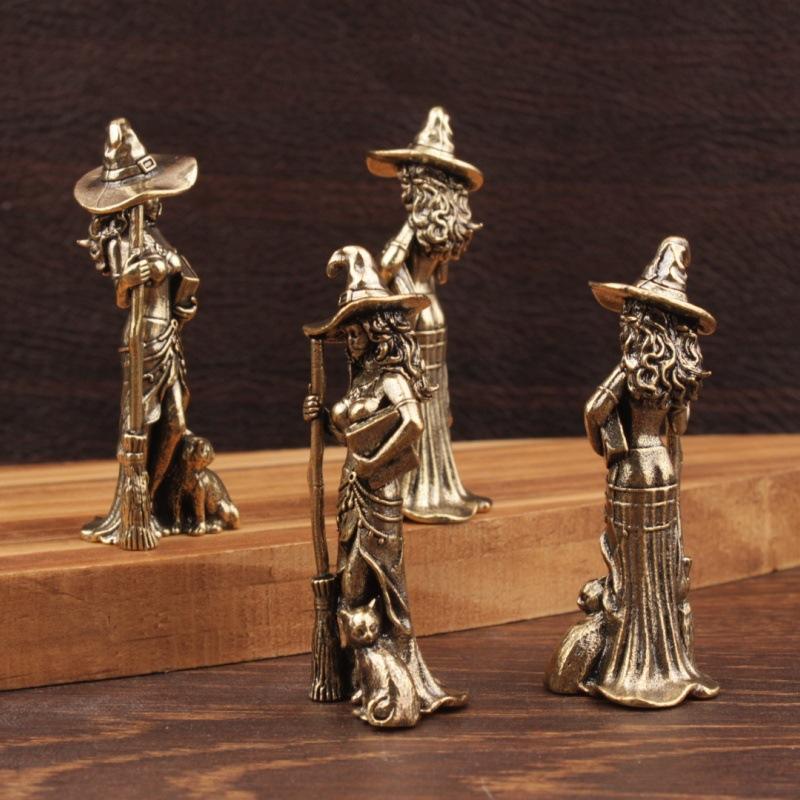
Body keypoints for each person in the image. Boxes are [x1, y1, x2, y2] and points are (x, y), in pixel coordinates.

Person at [545, 237, 720, 708]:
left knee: (631, 565)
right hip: (661, 467)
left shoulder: (630, 368)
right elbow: (678, 427)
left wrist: (610, 448)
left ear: (643, 319)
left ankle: (631, 662)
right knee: (657, 565)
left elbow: (594, 410)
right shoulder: (676, 372)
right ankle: (665, 658)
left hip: (631, 472)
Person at [303, 245, 467, 727]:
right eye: (347, 332)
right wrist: (321, 418)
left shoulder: (392, 377)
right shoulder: (361, 380)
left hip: (380, 492)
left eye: (357, 331)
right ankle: (363, 676)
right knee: (350, 579)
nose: (351, 340)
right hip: (351, 490)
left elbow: (414, 422)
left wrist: (374, 460)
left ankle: (394, 678)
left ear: (378, 332)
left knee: (370, 583)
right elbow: (348, 433)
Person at [74, 118, 237, 544]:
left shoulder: (155, 235)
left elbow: (181, 297)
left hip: (169, 339)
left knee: (176, 421)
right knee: (141, 423)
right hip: (143, 338)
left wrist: (184, 295)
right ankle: (135, 507)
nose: (156, 202)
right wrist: (134, 276)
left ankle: (155, 499)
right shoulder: (121, 242)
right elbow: (122, 296)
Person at [366, 106, 491, 523]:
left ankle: (421, 490)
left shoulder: (417, 223)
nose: (406, 186)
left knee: (419, 402)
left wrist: (405, 234)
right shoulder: (443, 225)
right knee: (430, 403)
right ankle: (433, 487)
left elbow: (386, 265)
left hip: (417, 319)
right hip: (431, 314)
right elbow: (432, 274)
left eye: (412, 179)